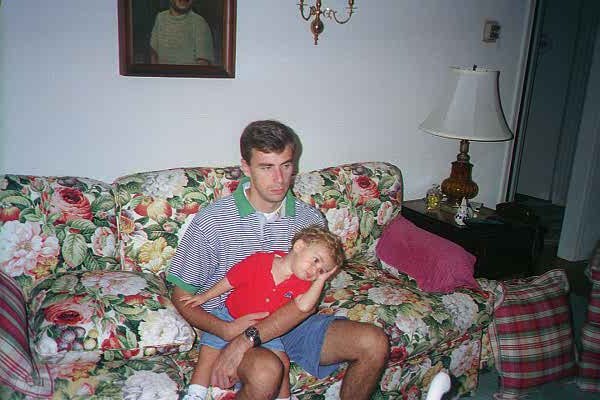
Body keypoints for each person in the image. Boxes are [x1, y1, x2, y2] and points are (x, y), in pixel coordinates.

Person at [168, 120, 389, 400]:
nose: (279, 179)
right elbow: (181, 296)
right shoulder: (212, 221)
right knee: (266, 373)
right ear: (246, 167)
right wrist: (226, 331)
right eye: (266, 167)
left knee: (374, 342)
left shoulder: (310, 220)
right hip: (235, 318)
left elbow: (308, 298)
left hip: (292, 322)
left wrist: (247, 339)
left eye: (286, 166)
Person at [180, 226, 344, 400]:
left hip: (265, 330)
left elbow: (305, 306)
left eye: (321, 271)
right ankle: (195, 394)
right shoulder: (260, 261)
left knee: (282, 362)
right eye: (316, 261)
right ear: (299, 246)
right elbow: (231, 280)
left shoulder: (304, 284)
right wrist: (205, 296)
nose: (314, 271)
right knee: (208, 353)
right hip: (230, 316)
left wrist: (320, 281)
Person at [150, 0, 215, 65]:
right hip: (162, 71)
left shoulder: (199, 22)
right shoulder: (160, 17)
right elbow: (154, 54)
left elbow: (203, 63)